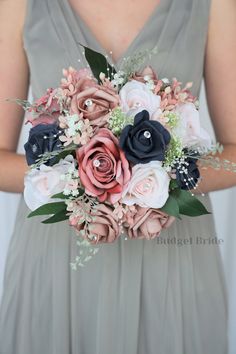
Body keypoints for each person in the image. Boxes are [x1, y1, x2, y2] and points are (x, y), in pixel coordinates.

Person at [0, 0, 235, 353]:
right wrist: (88, 178)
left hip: (172, 262)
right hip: (55, 263)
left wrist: (152, 180)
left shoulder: (214, 4)